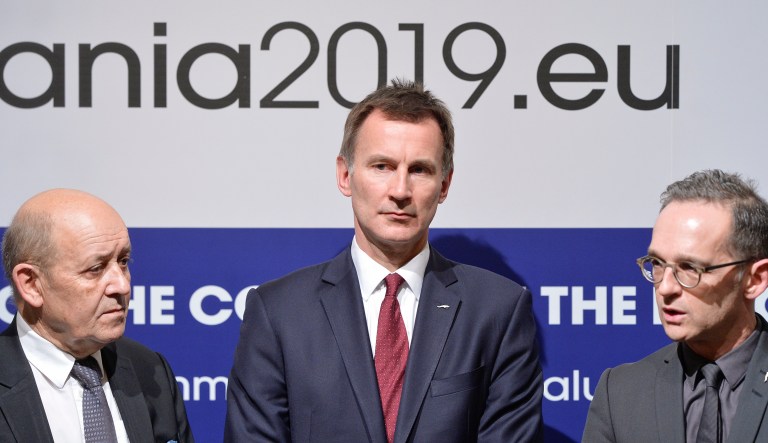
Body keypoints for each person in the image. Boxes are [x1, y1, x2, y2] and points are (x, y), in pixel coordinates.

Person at [225, 80, 543, 442]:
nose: (400, 191)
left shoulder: (498, 311)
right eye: (382, 166)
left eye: (420, 169)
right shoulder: (278, 312)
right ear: (345, 175)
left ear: (444, 185)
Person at [582, 169, 768, 443]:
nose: (665, 288)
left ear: (754, 279)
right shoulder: (621, 393)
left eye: (690, 268)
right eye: (657, 263)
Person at [0, 189, 194, 442]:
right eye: (95, 268)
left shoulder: (149, 369)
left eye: (123, 261)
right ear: (32, 284)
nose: (122, 286)